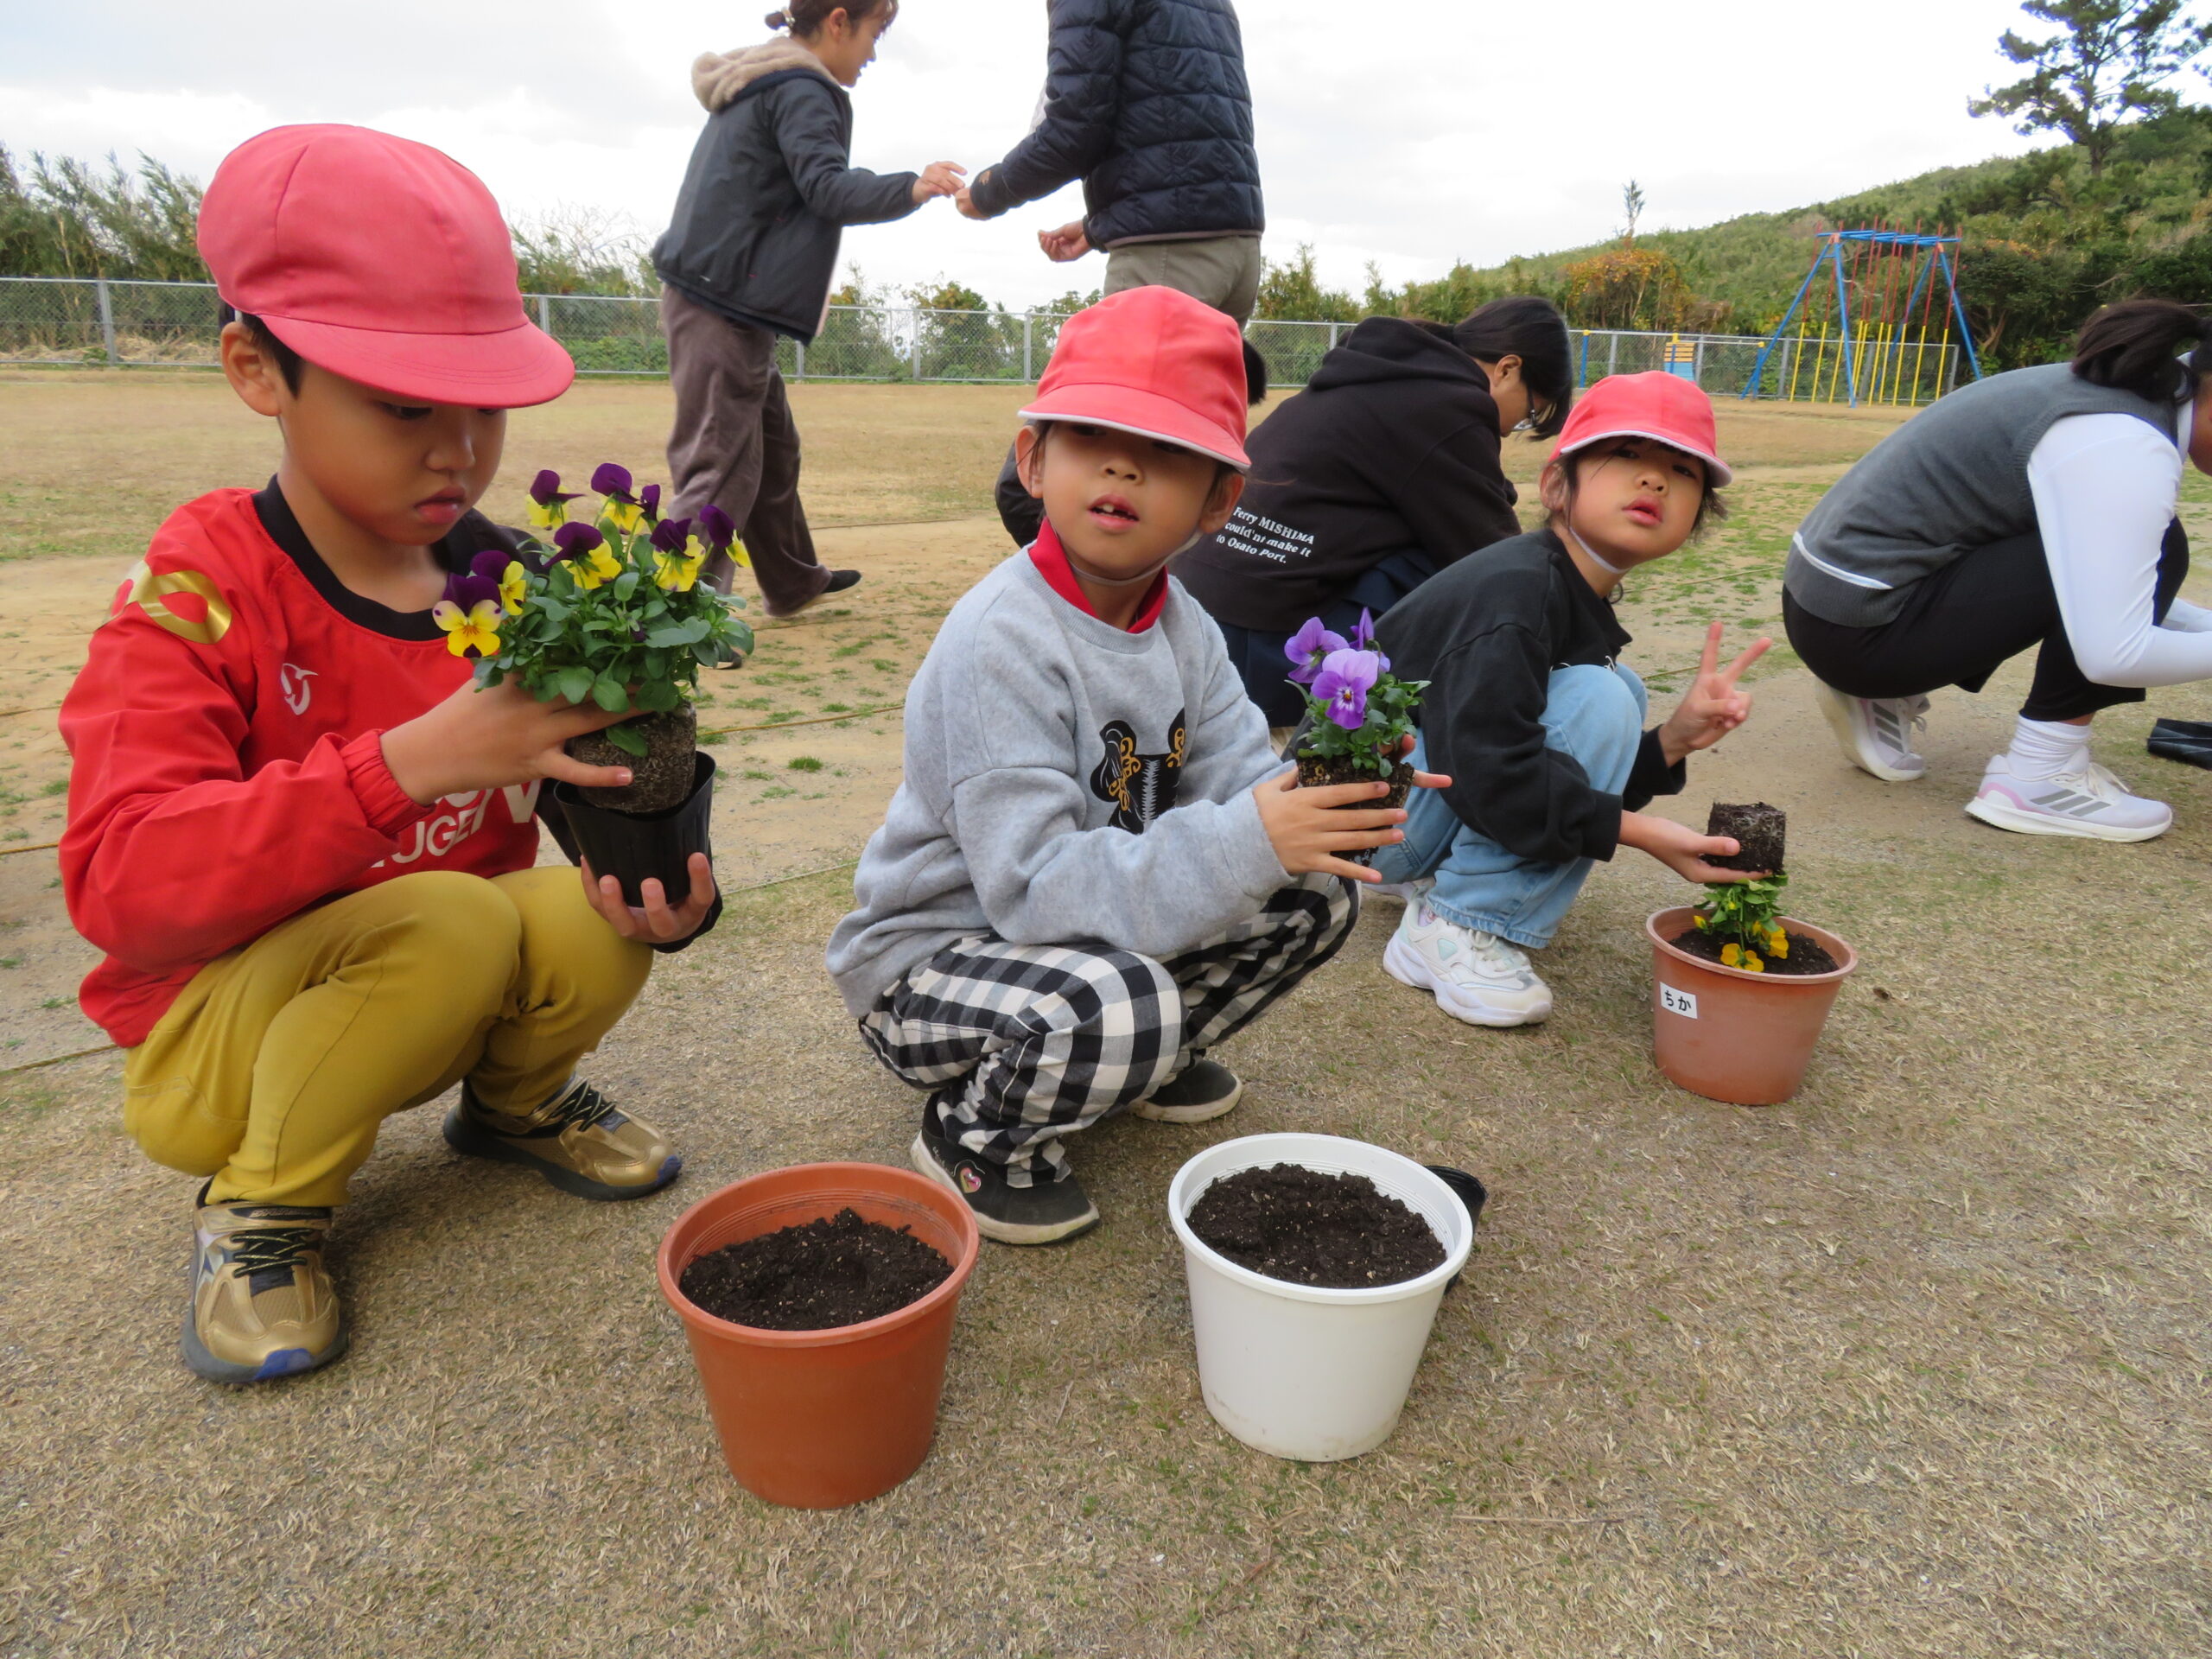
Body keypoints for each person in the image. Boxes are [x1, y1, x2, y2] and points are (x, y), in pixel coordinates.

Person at [59, 126, 720, 1385]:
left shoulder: (523, 584)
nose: (456, 451)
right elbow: (122, 887)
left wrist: (669, 877)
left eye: (485, 407)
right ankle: (260, 1207)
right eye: (405, 405)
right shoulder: (205, 582)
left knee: (582, 917)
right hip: (214, 1048)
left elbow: (604, 788)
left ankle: (514, 1105)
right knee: (453, 919)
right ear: (257, 369)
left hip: (423, 982)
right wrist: (409, 762)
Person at [825, 288, 1444, 1244]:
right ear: (1033, 458)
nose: (1123, 465)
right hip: (930, 967)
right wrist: (1251, 834)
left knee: (1314, 894)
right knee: (1119, 999)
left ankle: (1135, 1057)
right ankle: (977, 1132)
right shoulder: (1002, 639)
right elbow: (1030, 891)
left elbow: (1241, 779)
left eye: (1166, 454)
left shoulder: (1183, 626)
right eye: (1091, 436)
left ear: (1218, 501)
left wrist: (1331, 787)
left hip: (1076, 943)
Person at [1367, 373, 1769, 1028]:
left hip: (1401, 817)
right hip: (1358, 832)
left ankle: (1439, 889)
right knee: (1606, 694)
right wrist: (1638, 833)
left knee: (1617, 690)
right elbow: (1496, 773)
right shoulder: (1517, 593)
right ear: (1557, 486)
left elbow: (1549, 764)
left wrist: (1675, 740)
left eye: (1681, 470)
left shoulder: (1560, 586)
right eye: (1628, 456)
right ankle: (1455, 928)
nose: (1656, 481)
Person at [1787, 299, 2212, 842]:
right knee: (2165, 547)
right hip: (1862, 630)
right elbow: (2114, 654)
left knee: (2137, 553)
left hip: (1831, 609)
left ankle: (1874, 694)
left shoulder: (2120, 391)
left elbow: (2108, 578)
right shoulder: (2126, 442)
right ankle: (2040, 778)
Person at [653, 0, 963, 618]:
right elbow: (825, 186)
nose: (873, 52)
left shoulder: (763, 78)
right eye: (875, 33)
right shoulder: (802, 87)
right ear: (840, 20)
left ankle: (791, 579)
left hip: (727, 294)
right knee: (718, 466)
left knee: (773, 446)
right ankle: (676, 618)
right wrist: (912, 186)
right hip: (725, 300)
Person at [1176, 297, 1575, 724]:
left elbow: (1474, 498)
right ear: (1508, 369)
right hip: (1267, 658)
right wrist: (1574, 637)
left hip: (1197, 629)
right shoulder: (1448, 404)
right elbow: (1495, 553)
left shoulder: (1382, 375)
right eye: (1529, 414)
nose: (1510, 428)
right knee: (1446, 568)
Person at [953, 0, 1264, 319]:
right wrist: (1096, 229)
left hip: (1166, 259)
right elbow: (1183, 118)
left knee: (1124, 370)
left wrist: (985, 193)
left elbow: (1074, 128)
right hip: (1239, 242)